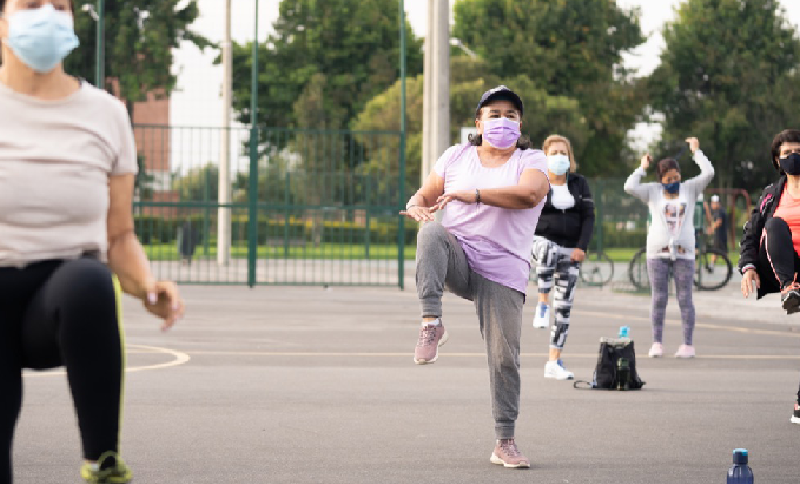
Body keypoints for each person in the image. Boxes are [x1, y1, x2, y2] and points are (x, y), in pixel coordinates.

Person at [0, 1, 185, 483]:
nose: (47, 14)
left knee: (88, 279)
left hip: (60, 298)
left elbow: (119, 234)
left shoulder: (105, 113)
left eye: (59, 5)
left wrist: (148, 285)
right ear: (3, 22)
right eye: (31, 4)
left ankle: (102, 460)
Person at [400, 85, 549, 468]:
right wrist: (416, 205)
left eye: (511, 115)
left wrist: (475, 194)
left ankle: (505, 441)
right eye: (494, 114)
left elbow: (529, 196)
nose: (503, 121)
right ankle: (432, 322)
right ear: (478, 122)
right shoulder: (456, 156)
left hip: (503, 270)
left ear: (520, 124)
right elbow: (424, 196)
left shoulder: (532, 159)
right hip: (460, 258)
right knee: (431, 232)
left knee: (504, 358)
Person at [624, 137, 714, 358]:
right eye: (669, 178)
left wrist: (696, 152)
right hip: (657, 253)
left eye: (676, 177)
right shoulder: (653, 191)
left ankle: (688, 345)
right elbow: (629, 187)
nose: (674, 181)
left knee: (685, 298)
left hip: (685, 253)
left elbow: (709, 173)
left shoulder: (690, 189)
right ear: (661, 179)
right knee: (659, 298)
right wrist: (641, 168)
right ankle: (657, 342)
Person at [739, 128, 800, 425]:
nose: (793, 157)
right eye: (787, 153)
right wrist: (748, 267)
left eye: (798, 151)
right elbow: (752, 232)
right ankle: (790, 289)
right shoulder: (771, 195)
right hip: (784, 266)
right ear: (777, 160)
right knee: (774, 224)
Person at [530, 135, 594, 381]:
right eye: (554, 152)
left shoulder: (579, 183)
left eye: (563, 152)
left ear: (570, 156)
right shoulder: (538, 181)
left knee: (565, 308)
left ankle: (554, 361)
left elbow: (589, 217)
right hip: (540, 243)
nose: (559, 156)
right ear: (545, 155)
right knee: (547, 248)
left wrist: (581, 247)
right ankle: (543, 302)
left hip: (570, 250)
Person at [703, 195, 728, 271]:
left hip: (720, 235)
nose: (712, 205)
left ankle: (727, 266)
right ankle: (713, 265)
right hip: (720, 235)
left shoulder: (719, 211)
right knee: (718, 251)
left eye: (713, 203)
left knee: (720, 252)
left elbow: (718, 222)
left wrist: (711, 229)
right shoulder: (719, 211)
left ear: (717, 203)